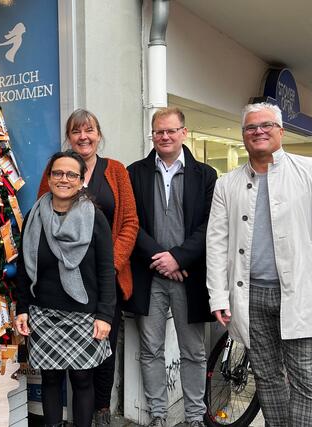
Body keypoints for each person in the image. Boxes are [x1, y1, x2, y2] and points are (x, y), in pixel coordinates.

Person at [206, 102, 312, 426]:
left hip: (302, 295)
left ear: (281, 131)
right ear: (243, 135)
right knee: (267, 378)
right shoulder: (226, 184)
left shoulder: (310, 171)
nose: (258, 131)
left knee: (306, 381)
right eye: (251, 127)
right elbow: (216, 245)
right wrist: (218, 295)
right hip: (251, 297)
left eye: (266, 125)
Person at [37, 109, 138, 426]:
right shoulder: (57, 170)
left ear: (98, 134)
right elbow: (42, 218)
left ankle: (101, 413)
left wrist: (109, 263)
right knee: (64, 360)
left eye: (89, 130)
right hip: (62, 284)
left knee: (103, 352)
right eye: (77, 131)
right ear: (69, 136)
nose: (84, 136)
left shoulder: (117, 171)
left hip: (105, 282)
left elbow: (130, 224)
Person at [127, 107, 216, 427]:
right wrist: (163, 260)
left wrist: (178, 257)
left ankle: (194, 417)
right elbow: (130, 223)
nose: (164, 136)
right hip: (149, 277)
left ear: (184, 132)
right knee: (150, 350)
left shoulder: (205, 175)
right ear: (152, 134)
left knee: (194, 350)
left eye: (170, 131)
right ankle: (158, 415)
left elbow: (209, 226)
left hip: (188, 277)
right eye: (158, 131)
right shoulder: (134, 172)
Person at [15, 150, 116, 427]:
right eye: (58, 173)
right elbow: (25, 265)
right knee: (50, 377)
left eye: (72, 174)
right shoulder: (34, 215)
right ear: (48, 178)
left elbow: (107, 269)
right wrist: (22, 308)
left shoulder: (95, 217)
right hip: (43, 312)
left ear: (82, 180)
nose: (64, 179)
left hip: (84, 312)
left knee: (83, 378)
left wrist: (105, 315)